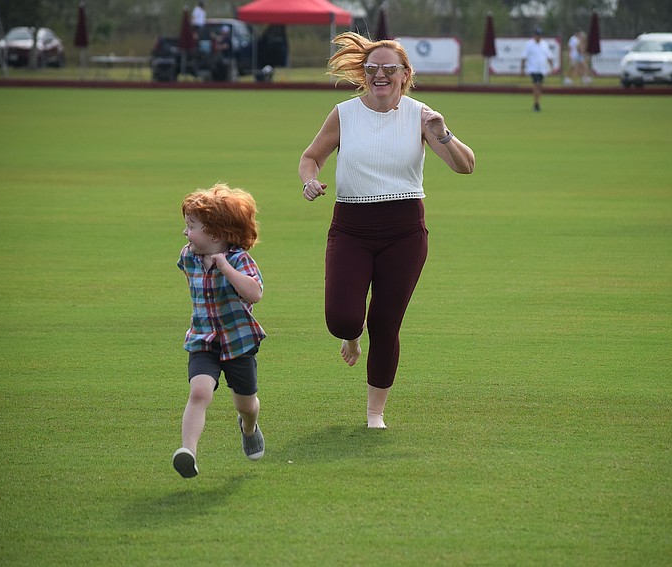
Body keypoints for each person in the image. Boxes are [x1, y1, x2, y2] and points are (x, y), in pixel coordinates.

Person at [298, 32, 475, 429]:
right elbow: (311, 157)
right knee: (342, 319)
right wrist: (309, 180)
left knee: (385, 323)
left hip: (404, 230)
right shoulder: (344, 113)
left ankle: (374, 411)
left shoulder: (422, 115)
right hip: (351, 227)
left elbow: (465, 165)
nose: (380, 75)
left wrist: (442, 131)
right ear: (364, 74)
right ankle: (350, 335)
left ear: (405, 74)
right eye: (372, 69)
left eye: (388, 69)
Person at [172, 184, 266, 478]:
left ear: (214, 233)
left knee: (246, 404)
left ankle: (248, 426)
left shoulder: (239, 260)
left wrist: (224, 266)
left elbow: (255, 294)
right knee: (199, 392)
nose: (186, 233)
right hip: (203, 340)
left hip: (238, 342)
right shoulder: (188, 256)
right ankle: (188, 451)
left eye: (192, 227)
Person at [520, 27, 554, 112]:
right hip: (533, 68)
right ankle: (536, 104)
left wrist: (551, 67)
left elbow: (549, 56)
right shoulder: (529, 44)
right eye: (537, 35)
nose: (538, 37)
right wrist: (522, 68)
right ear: (534, 35)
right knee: (536, 85)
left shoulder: (544, 44)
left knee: (540, 86)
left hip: (542, 69)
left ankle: (537, 102)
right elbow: (524, 57)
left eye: (540, 35)